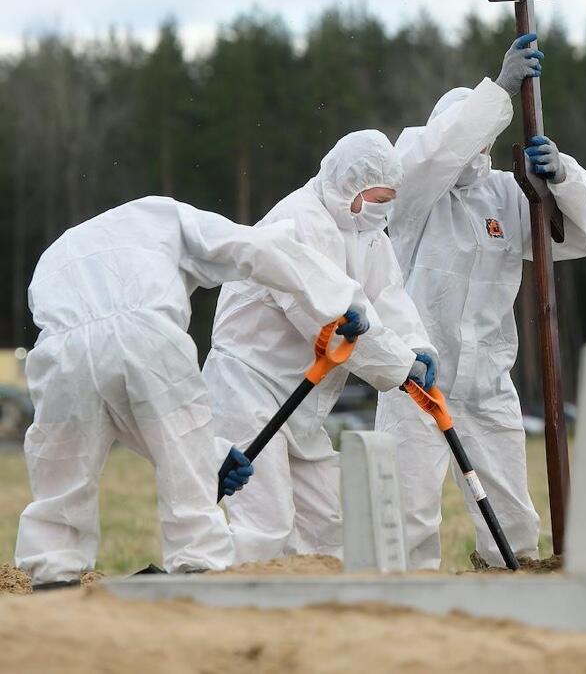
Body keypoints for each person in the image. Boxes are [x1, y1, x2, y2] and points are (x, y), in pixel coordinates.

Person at [15, 196, 366, 589]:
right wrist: (339, 300)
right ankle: (198, 569)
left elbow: (107, 384)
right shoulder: (164, 215)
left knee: (61, 476)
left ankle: (52, 579)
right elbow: (257, 248)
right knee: (191, 496)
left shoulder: (60, 249)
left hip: (58, 352)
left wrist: (214, 456)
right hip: (147, 334)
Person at [376, 33, 586, 568]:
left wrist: (562, 179)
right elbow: (437, 153)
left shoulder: (508, 193)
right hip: (416, 378)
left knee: (512, 519)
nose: (476, 148)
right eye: (470, 135)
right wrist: (501, 89)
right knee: (407, 516)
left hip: (487, 383)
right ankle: (405, 601)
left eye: (484, 139)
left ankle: (510, 591)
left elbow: (580, 234)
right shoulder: (412, 194)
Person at [204, 130, 437, 563]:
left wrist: (415, 345)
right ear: (348, 183)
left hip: (303, 401)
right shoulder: (297, 222)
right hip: (250, 389)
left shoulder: (367, 231)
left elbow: (387, 295)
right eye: (377, 198)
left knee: (326, 530)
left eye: (389, 200)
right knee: (266, 527)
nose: (382, 210)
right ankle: (209, 589)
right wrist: (398, 365)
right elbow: (324, 318)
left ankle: (317, 605)